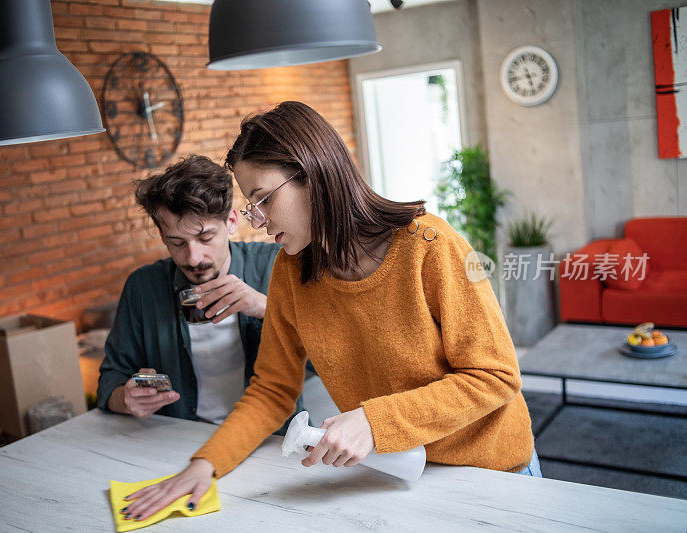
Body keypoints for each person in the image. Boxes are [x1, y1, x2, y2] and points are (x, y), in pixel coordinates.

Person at [119, 102, 538, 522]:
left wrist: (374, 422)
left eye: (264, 198)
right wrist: (204, 466)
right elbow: (272, 391)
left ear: (313, 173)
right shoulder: (291, 271)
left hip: (493, 474)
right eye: (251, 206)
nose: (258, 221)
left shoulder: (429, 246)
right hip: (398, 476)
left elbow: (495, 375)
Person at [97, 154, 303, 431]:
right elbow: (111, 378)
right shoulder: (142, 287)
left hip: (272, 436)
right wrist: (126, 398)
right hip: (182, 437)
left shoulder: (277, 266)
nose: (193, 258)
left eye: (205, 238)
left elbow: (327, 363)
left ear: (231, 222)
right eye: (177, 242)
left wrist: (266, 309)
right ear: (162, 236)